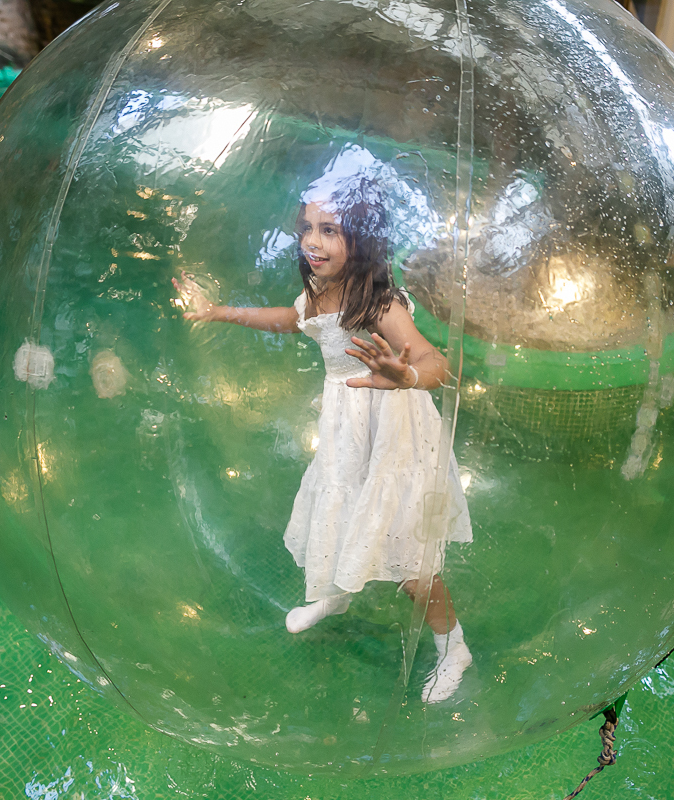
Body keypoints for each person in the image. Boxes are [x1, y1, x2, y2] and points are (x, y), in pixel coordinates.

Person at [172, 170, 473, 704]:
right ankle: (334, 592)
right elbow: (292, 320)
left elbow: (437, 361)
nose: (313, 240)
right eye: (308, 227)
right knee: (338, 507)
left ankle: (454, 647)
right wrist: (218, 311)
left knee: (408, 557)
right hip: (347, 426)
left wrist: (405, 375)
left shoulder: (378, 303)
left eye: (330, 229)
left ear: (362, 239)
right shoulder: (318, 290)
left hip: (395, 431)